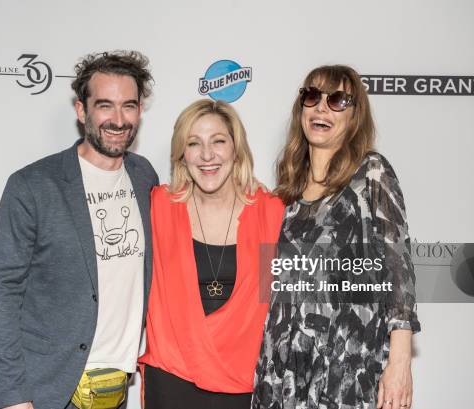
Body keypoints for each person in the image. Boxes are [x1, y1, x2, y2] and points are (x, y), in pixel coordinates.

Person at [0, 51, 158, 409]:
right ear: (82, 111)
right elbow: (2, 294)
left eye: (128, 106)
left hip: (115, 390)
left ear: (140, 110)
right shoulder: (33, 186)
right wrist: (13, 397)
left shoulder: (144, 177)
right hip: (47, 389)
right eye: (105, 105)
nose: (118, 119)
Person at [251, 65, 421, 409]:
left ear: (355, 115)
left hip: (346, 370)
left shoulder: (371, 173)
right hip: (282, 370)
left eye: (338, 100)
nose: (321, 108)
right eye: (312, 97)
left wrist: (400, 362)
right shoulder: (287, 193)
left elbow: (398, 269)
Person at [138, 99, 285, 409]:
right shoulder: (158, 207)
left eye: (218, 141)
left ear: (237, 148)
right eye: (194, 143)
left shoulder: (271, 214)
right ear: (181, 154)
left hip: (245, 383)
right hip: (171, 380)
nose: (207, 155)